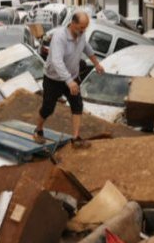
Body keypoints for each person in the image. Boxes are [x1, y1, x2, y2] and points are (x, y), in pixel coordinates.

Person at [35, 11, 104, 149]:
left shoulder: (81, 35)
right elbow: (56, 61)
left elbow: (87, 48)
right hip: (53, 78)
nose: (83, 30)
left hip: (71, 78)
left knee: (77, 105)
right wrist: (69, 81)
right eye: (81, 27)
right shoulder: (59, 37)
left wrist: (96, 63)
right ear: (73, 24)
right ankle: (38, 130)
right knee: (48, 108)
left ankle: (76, 138)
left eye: (85, 27)